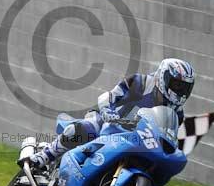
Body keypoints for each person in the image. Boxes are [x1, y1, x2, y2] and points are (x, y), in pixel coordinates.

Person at [28, 59, 195, 168]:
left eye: (184, 88)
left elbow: (168, 139)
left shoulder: (176, 113)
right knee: (83, 128)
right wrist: (108, 111)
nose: (179, 91)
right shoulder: (140, 83)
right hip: (109, 123)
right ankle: (44, 156)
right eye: (176, 84)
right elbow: (109, 97)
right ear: (163, 77)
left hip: (136, 140)